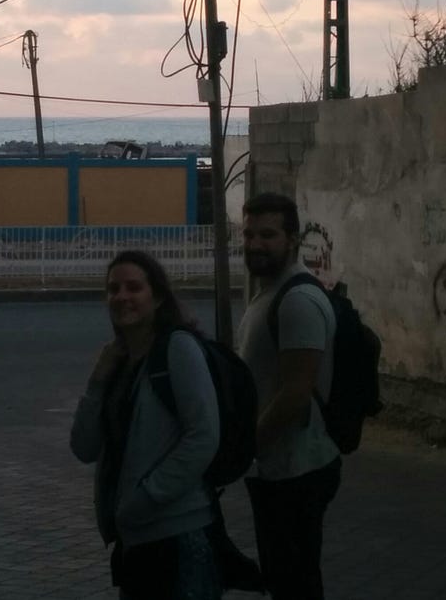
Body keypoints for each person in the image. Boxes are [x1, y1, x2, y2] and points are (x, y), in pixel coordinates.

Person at [70, 250, 221, 600]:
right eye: (113, 289)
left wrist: (147, 496)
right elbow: (83, 447)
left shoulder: (179, 349)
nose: (122, 297)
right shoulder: (119, 362)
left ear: (158, 297)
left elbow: (203, 435)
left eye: (134, 287)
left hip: (179, 535)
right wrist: (97, 381)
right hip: (135, 539)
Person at [238, 192, 340, 600]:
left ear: (293, 239)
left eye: (268, 234)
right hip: (279, 466)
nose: (255, 244)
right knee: (285, 579)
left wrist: (245, 449)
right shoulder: (270, 292)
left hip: (297, 468)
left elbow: (296, 392)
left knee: (293, 582)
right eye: (248, 234)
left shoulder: (297, 299)